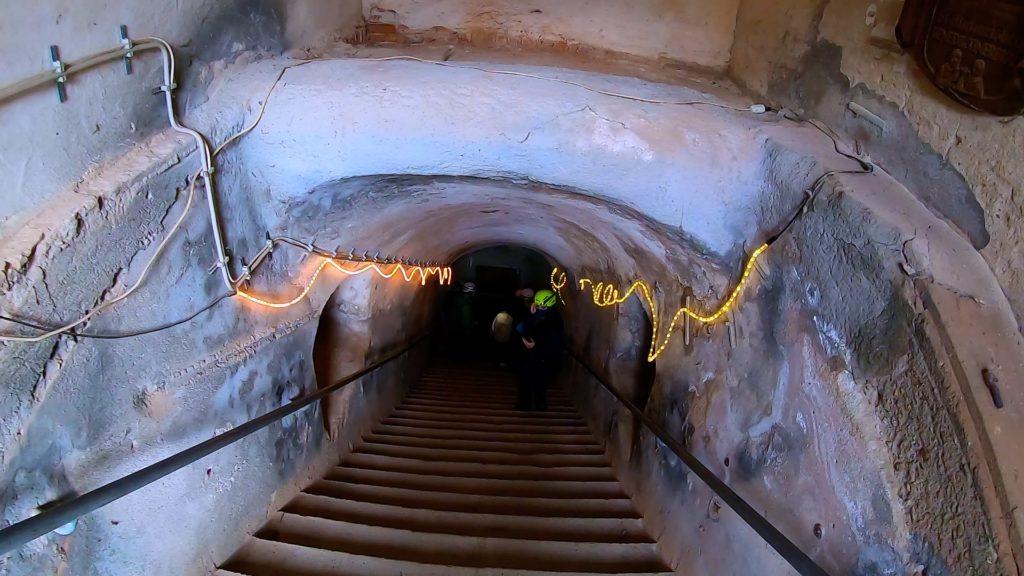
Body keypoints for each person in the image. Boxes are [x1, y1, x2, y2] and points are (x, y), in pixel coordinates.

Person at [516, 289, 563, 411]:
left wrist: (536, 346)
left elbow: (554, 342)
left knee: (536, 381)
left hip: (542, 357)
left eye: (540, 305)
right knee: (529, 380)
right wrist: (531, 315)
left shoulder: (553, 321)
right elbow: (521, 328)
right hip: (534, 356)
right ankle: (529, 405)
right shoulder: (540, 314)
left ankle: (533, 405)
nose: (538, 307)